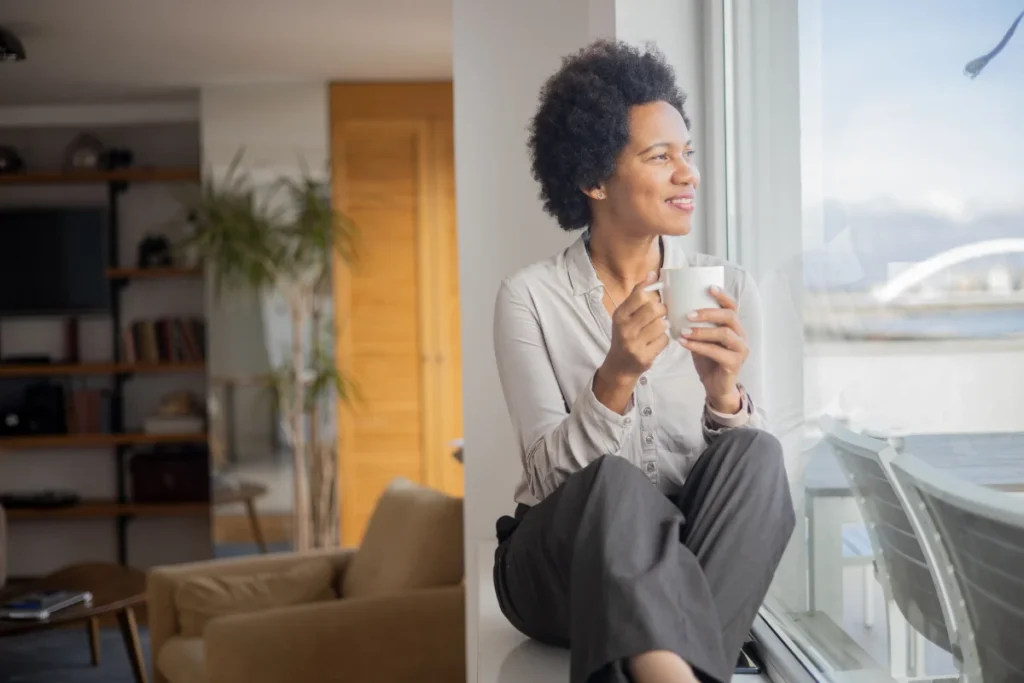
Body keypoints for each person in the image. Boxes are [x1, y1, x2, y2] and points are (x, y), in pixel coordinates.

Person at [491, 40, 796, 683]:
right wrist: (615, 380)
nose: (688, 174)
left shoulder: (730, 289)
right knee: (615, 483)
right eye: (661, 157)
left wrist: (724, 400)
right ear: (594, 178)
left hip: (685, 559)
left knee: (759, 452)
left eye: (686, 154)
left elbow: (752, 498)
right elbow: (548, 484)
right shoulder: (530, 298)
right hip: (557, 568)